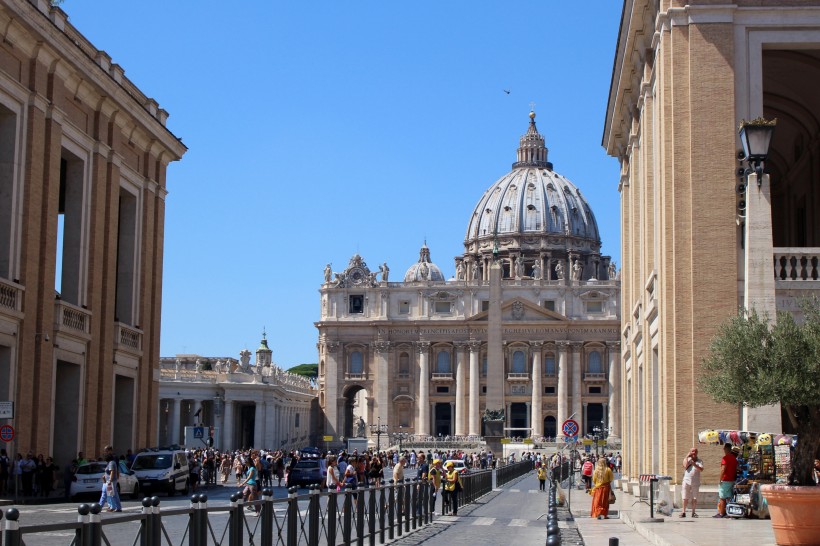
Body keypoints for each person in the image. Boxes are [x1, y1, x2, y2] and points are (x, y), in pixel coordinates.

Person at [714, 443, 738, 518]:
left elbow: (723, 469)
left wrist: (720, 479)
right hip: (732, 480)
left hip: (725, 480)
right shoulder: (734, 458)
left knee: (722, 497)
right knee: (729, 497)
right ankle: (729, 512)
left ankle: (721, 513)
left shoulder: (725, 458)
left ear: (726, 449)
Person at [680, 448, 703, 518]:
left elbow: (701, 469)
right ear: (690, 452)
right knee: (684, 497)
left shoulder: (700, 461)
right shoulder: (687, 459)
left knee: (694, 498)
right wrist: (687, 456)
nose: (694, 453)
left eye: (696, 451)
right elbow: (685, 465)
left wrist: (694, 464)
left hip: (695, 481)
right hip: (686, 480)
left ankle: (693, 512)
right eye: (693, 451)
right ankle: (683, 512)